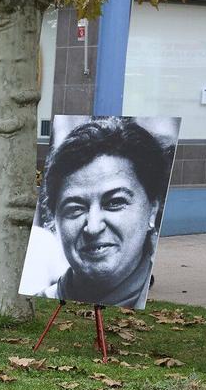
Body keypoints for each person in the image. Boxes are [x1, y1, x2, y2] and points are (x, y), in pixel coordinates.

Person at [31, 116, 171, 309]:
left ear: (153, 209)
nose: (93, 227)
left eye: (115, 202)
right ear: (54, 222)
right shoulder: (36, 305)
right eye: (75, 208)